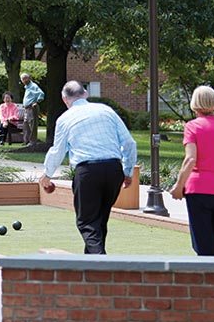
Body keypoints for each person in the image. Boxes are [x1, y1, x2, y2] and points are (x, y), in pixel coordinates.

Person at [39, 81, 137, 255]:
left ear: (64, 99)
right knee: (99, 221)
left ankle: (100, 262)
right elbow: (129, 143)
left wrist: (46, 175)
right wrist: (127, 172)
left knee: (87, 222)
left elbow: (58, 150)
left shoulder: (64, 119)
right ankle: (91, 264)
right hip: (114, 170)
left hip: (88, 172)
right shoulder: (106, 110)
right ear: (85, 93)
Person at [169, 86, 214, 256]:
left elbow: (190, 159)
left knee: (203, 246)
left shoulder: (192, 127)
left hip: (199, 189)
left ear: (195, 104)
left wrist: (179, 185)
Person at [20, 72, 45, 146]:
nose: (24, 80)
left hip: (32, 108)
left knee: (32, 124)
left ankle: (32, 141)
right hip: (26, 109)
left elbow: (41, 94)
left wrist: (36, 102)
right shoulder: (27, 87)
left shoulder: (33, 86)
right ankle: (26, 141)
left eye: (25, 78)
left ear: (29, 78)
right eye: (22, 79)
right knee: (26, 124)